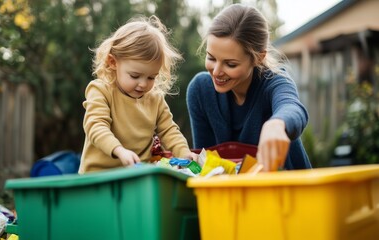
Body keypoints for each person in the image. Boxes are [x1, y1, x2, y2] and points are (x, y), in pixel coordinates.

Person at [186, 3, 312, 172]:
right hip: (231, 194)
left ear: (258, 58)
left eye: (230, 64)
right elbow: (204, 165)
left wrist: (277, 124)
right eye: (211, 58)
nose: (216, 72)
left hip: (290, 190)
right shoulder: (200, 91)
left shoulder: (273, 82)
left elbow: (293, 108)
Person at [79, 15, 196, 173]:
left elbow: (169, 130)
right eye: (135, 76)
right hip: (98, 177)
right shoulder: (101, 90)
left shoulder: (155, 99)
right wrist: (119, 150)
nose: (143, 84)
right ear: (113, 62)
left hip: (137, 176)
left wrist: (184, 152)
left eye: (151, 77)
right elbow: (96, 126)